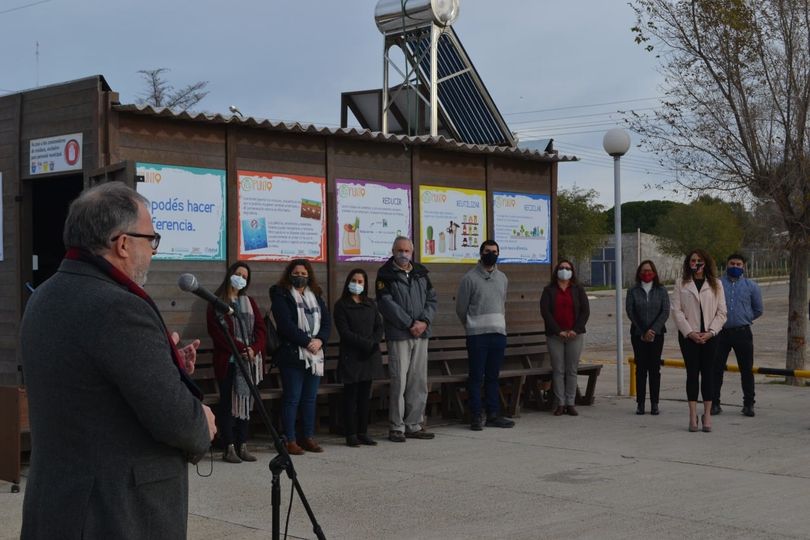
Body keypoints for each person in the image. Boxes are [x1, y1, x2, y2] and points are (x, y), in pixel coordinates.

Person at [19, 182, 215, 539]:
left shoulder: (44, 296)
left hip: (58, 505)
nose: (153, 251)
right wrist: (201, 422)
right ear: (123, 244)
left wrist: (163, 366)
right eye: (150, 239)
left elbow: (89, 387)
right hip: (113, 515)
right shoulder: (118, 308)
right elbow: (175, 420)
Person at [375, 236, 438, 442]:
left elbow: (432, 299)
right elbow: (386, 304)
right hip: (400, 334)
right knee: (399, 381)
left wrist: (424, 322)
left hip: (422, 333)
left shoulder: (421, 273)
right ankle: (396, 427)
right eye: (399, 250)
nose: (403, 254)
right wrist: (410, 323)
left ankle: (414, 424)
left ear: (412, 252)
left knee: (418, 380)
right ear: (393, 251)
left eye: (407, 251)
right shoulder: (385, 274)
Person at [206, 261, 267, 463]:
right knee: (227, 404)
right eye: (238, 274)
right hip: (229, 361)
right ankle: (229, 446)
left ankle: (243, 444)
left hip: (248, 362)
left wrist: (254, 349)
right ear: (230, 274)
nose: (241, 278)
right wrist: (242, 349)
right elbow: (219, 334)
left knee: (245, 402)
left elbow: (260, 329)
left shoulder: (249, 302)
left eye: (245, 276)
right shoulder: (217, 302)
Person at [270, 259, 331, 455]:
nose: (300, 277)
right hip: (292, 354)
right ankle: (290, 439)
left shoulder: (316, 295)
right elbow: (285, 325)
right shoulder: (281, 294)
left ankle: (308, 437)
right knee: (292, 398)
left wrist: (320, 340)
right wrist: (307, 342)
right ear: (289, 274)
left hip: (315, 354)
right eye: (296, 273)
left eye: (304, 274)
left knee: (309, 399)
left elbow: (327, 323)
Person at [455, 239, 515, 430]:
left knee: (493, 376)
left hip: (498, 334)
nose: (492, 254)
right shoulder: (469, 279)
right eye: (488, 251)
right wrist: (471, 325)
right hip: (477, 336)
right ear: (481, 254)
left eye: (495, 251)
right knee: (476, 377)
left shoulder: (502, 278)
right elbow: (461, 308)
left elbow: (502, 302)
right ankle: (476, 415)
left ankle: (493, 414)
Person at [671, 249, 727, 433]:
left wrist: (711, 332)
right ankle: (692, 414)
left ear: (706, 263)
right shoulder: (681, 283)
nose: (696, 263)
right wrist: (690, 332)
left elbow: (722, 312)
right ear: (688, 263)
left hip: (710, 337)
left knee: (708, 374)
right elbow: (677, 311)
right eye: (693, 260)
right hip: (690, 337)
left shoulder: (716, 284)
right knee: (692, 374)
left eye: (700, 260)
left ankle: (707, 415)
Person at [333, 268, 384, 447]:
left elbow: (379, 327)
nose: (357, 284)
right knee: (351, 396)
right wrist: (366, 343)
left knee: (365, 397)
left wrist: (373, 342)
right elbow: (345, 332)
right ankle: (351, 433)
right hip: (352, 356)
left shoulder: (370, 303)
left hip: (369, 356)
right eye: (354, 280)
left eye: (360, 281)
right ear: (348, 282)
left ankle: (363, 431)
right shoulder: (341, 305)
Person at [712, 253, 763, 417]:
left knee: (746, 370)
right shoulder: (716, 284)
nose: (735, 267)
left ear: (744, 267)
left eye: (738, 264)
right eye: (732, 263)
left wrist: (744, 318)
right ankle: (714, 403)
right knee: (716, 369)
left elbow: (758, 309)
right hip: (721, 333)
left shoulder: (751, 286)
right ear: (727, 265)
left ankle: (748, 404)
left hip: (742, 332)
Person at [540, 259, 590, 417]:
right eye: (561, 268)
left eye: (567, 268)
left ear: (572, 271)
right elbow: (545, 312)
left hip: (574, 335)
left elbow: (585, 311)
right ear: (556, 271)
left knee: (571, 370)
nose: (564, 270)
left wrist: (576, 329)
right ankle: (560, 403)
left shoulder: (578, 289)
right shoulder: (549, 290)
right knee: (558, 370)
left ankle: (570, 402)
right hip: (555, 336)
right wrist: (557, 331)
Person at [626, 260, 670, 415]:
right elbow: (631, 312)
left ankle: (654, 403)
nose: (647, 273)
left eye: (650, 270)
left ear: (655, 273)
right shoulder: (633, 291)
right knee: (641, 369)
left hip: (657, 335)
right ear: (639, 273)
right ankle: (640, 403)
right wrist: (644, 331)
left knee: (654, 369)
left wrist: (652, 330)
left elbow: (665, 312)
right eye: (644, 271)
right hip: (638, 335)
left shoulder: (661, 290)